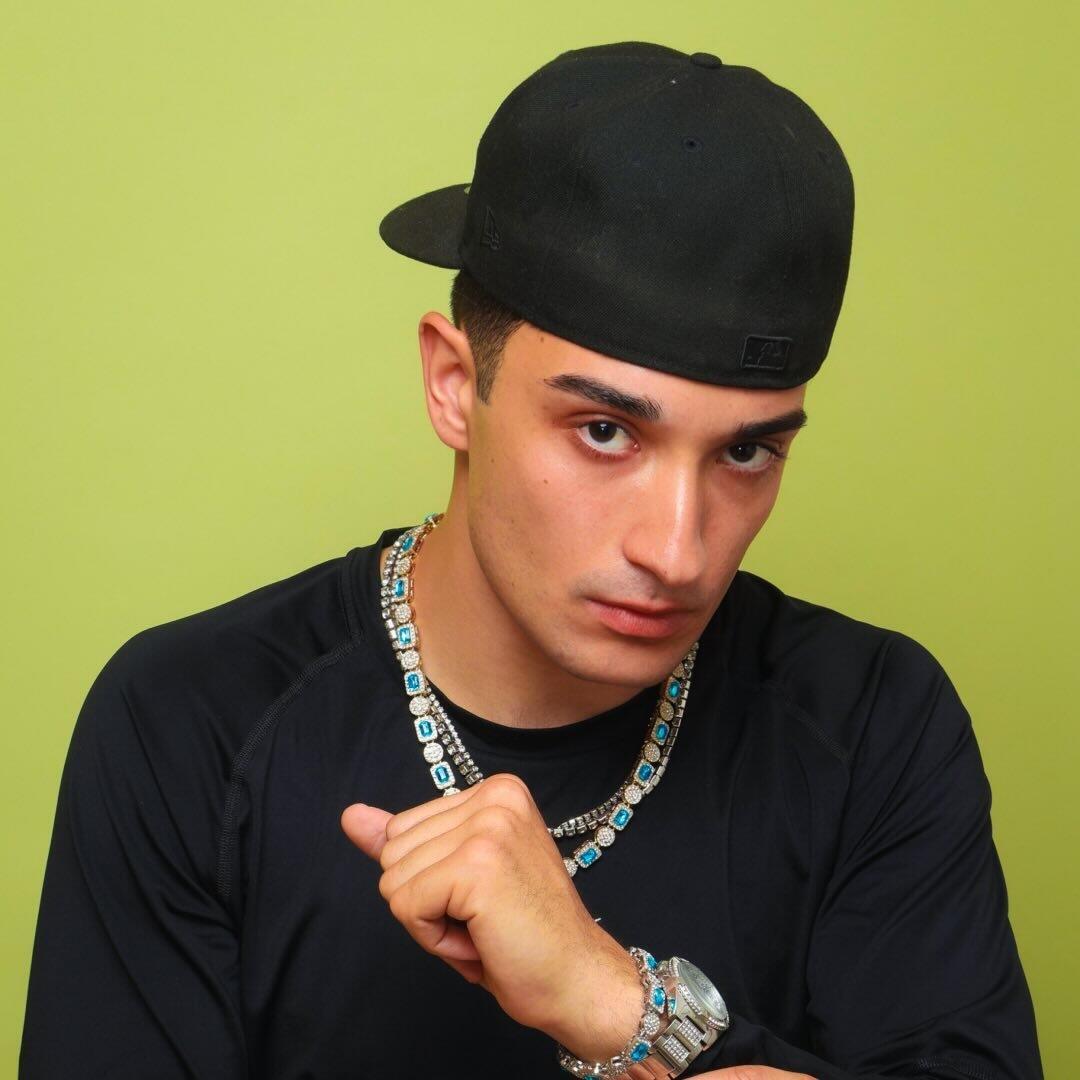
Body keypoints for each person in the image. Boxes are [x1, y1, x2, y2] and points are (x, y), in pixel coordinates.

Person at [19, 40, 1042, 1080]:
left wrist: (610, 1001)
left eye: (745, 453)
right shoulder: (191, 722)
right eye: (605, 432)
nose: (677, 550)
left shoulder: (871, 726)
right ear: (454, 385)